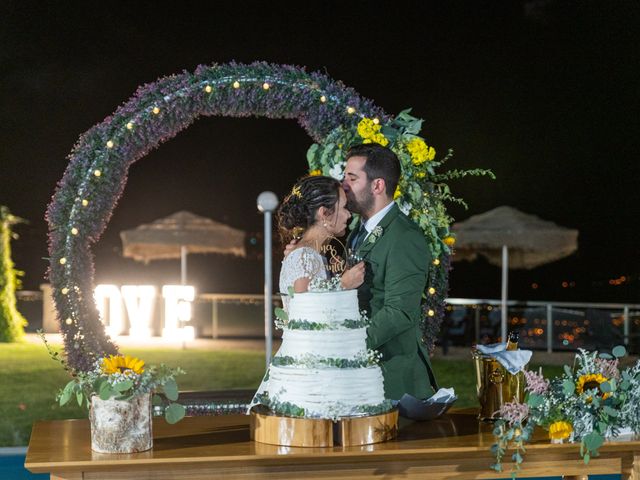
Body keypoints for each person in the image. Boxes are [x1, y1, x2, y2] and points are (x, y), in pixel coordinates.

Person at [249, 175, 365, 409]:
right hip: (307, 367)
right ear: (324, 213)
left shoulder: (311, 255)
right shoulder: (304, 256)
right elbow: (305, 316)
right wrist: (343, 284)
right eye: (343, 208)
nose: (349, 215)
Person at [342, 143, 438, 401]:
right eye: (344, 177)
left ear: (378, 186)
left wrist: (348, 346)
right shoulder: (357, 233)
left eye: (352, 178)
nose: (344, 185)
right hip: (361, 375)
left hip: (392, 376)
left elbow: (399, 312)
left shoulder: (405, 237)